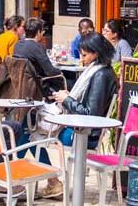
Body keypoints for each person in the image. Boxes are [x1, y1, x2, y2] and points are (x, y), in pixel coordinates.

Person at [38, 33, 118, 198]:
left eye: (84, 55)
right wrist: (69, 98)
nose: (81, 59)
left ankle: (49, 182)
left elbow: (90, 114)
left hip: (84, 134)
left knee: (30, 133)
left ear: (96, 53)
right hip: (79, 129)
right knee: (30, 129)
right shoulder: (98, 70)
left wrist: (67, 100)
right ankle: (50, 181)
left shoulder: (101, 75)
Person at [12, 17, 63, 93]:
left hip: (19, 83)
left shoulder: (18, 45)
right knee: (70, 82)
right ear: (38, 32)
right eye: (42, 31)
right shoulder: (37, 47)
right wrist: (61, 72)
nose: (43, 33)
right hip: (37, 85)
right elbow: (50, 71)